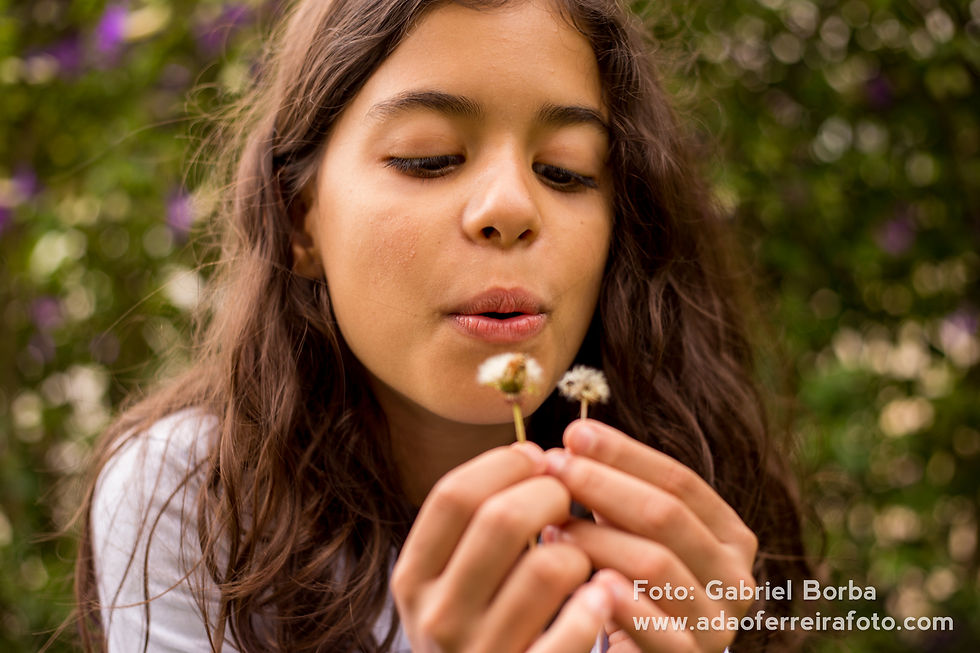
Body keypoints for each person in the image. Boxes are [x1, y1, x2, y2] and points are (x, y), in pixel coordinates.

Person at [74, 0, 812, 651]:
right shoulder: (197, 498)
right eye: (428, 159)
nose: (511, 207)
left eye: (565, 170)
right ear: (299, 220)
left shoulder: (683, 497)